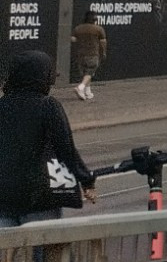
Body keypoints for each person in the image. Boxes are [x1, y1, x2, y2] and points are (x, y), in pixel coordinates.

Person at [0, 50, 95, 228]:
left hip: (4, 196)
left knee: (5, 244)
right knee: (42, 243)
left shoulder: (2, 106)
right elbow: (66, 149)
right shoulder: (47, 105)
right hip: (39, 196)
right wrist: (86, 180)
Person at [70, 17, 106, 100]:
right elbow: (103, 42)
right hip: (93, 54)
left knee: (86, 74)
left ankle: (87, 92)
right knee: (90, 72)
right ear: (94, 21)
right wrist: (104, 52)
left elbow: (73, 39)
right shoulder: (98, 29)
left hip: (81, 54)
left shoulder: (78, 28)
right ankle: (80, 87)